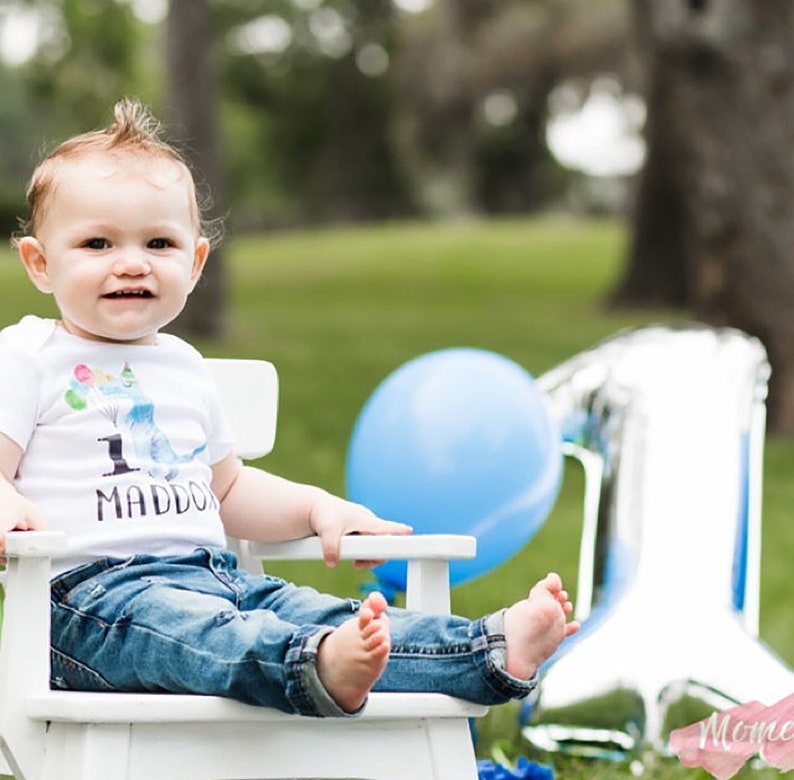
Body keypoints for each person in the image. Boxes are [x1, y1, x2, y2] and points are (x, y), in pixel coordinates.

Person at [0, 98, 579, 718]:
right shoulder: (29, 355)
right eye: (96, 243)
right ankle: (318, 664)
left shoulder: (184, 366)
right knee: (208, 633)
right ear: (40, 263)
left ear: (194, 264)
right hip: (90, 607)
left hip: (215, 580)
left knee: (324, 614)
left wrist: (316, 507)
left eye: (159, 242)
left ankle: (487, 650)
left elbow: (228, 490)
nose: (133, 262)